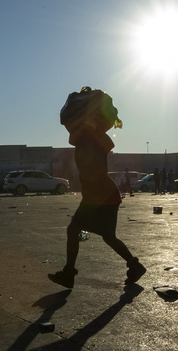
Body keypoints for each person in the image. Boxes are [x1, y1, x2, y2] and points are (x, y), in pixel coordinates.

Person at [48, 86, 145, 289]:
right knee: (108, 237)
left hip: (100, 196)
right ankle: (134, 266)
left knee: (74, 230)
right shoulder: (88, 140)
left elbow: (95, 168)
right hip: (102, 195)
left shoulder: (90, 141)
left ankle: (69, 273)